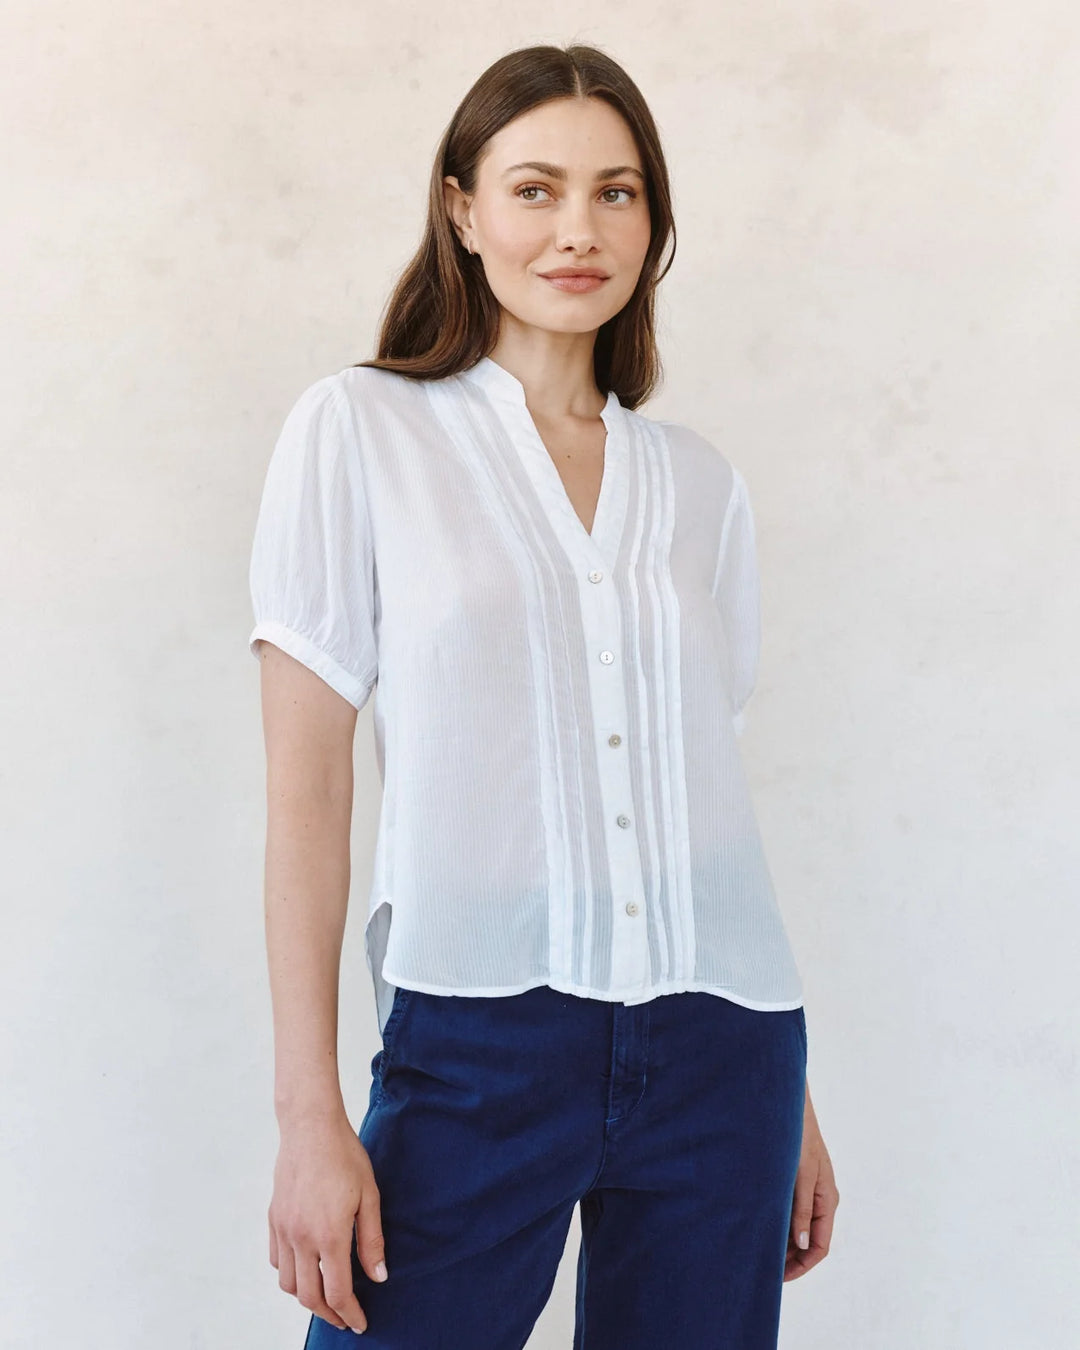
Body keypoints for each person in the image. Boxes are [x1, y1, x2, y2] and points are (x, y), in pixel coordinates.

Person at [247, 42, 839, 1350]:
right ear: (461, 208)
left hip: (726, 1052)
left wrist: (789, 1099)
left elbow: (703, 808)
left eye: (616, 192)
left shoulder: (698, 484)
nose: (580, 229)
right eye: (536, 189)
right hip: (476, 1038)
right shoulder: (362, 431)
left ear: (653, 221)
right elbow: (309, 792)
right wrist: (309, 1115)